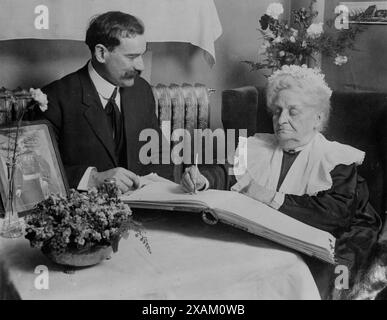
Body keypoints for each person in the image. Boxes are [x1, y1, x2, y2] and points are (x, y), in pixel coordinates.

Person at [181, 65, 382, 298]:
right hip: (280, 232)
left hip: (341, 236)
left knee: (322, 282)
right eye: (277, 111)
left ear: (317, 117)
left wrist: (266, 195)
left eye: (292, 111)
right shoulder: (257, 146)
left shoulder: (336, 158)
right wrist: (203, 178)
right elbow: (227, 173)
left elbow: (334, 214)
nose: (281, 120)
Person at [35, 11, 177, 193]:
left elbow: (158, 155)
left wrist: (177, 187)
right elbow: (38, 171)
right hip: (86, 214)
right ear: (101, 53)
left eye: (142, 55)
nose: (141, 66)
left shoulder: (141, 90)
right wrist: (93, 179)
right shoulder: (54, 98)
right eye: (132, 57)